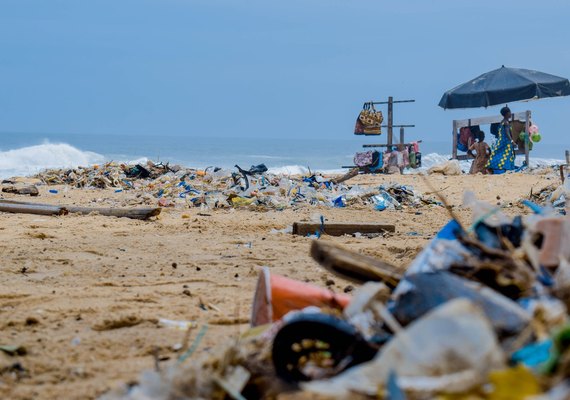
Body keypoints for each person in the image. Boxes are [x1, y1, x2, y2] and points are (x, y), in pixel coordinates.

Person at [486, 106, 516, 174]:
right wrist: (512, 141)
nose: (511, 114)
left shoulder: (502, 122)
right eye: (510, 112)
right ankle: (505, 169)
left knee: (498, 154)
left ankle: (492, 167)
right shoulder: (506, 123)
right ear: (507, 113)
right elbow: (507, 133)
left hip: (500, 141)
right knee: (506, 156)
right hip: (506, 142)